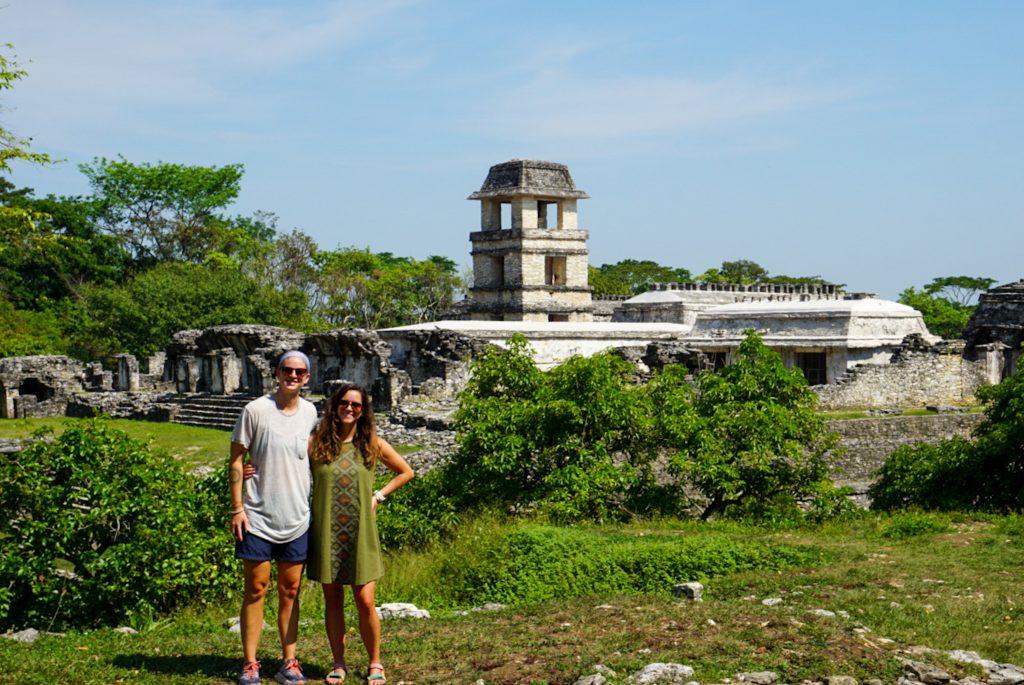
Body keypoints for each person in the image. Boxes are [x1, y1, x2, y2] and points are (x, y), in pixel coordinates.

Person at [307, 383, 414, 685]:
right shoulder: (316, 443)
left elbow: (406, 471)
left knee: (365, 600)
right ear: (334, 405)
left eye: (356, 405)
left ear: (364, 410)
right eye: (345, 403)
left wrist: (378, 496)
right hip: (327, 530)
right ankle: (338, 662)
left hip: (361, 532)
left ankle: (375, 662)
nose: (350, 408)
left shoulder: (372, 444)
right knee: (333, 598)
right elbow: (284, 464)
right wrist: (249, 469)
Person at [230, 351, 319, 685]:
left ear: (307, 377)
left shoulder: (311, 412)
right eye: (287, 370)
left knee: (290, 590)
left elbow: (314, 456)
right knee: (255, 588)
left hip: (296, 515)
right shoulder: (255, 410)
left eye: (299, 371)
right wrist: (237, 508)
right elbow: (237, 460)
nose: (292, 376)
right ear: (277, 373)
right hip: (257, 514)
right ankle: (250, 662)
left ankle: (289, 660)